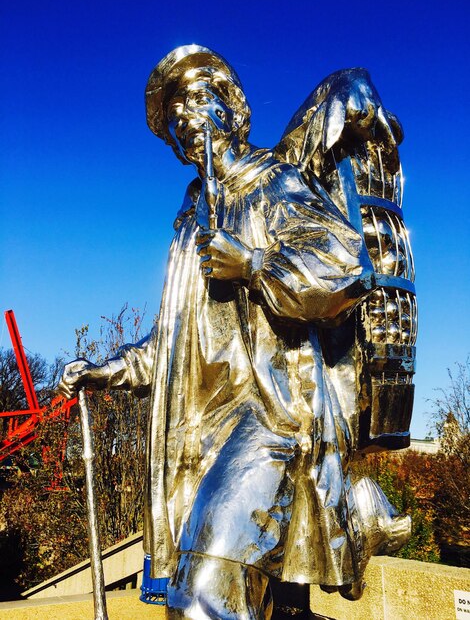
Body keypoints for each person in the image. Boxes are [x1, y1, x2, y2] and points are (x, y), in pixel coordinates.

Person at [59, 45, 410, 619]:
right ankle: (356, 523)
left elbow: (347, 272)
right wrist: (111, 369)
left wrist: (252, 265)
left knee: (202, 602)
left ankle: (354, 512)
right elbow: (176, 343)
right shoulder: (192, 220)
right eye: (175, 117)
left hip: (275, 422)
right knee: (208, 600)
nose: (188, 118)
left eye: (199, 99)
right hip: (204, 440)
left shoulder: (275, 183)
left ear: (229, 106)